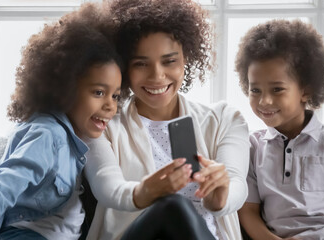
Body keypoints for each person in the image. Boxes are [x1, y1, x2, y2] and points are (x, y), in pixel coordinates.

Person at [0, 3, 123, 240]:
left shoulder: (75, 139)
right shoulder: (48, 135)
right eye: (99, 93)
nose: (111, 105)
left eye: (116, 95)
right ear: (66, 87)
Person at [83, 0, 250, 239]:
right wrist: (144, 192)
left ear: (186, 60)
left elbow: (237, 183)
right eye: (141, 64)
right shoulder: (103, 123)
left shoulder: (225, 119)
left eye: (169, 61)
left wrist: (221, 197)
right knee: (173, 207)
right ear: (123, 67)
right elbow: (106, 187)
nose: (157, 76)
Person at [235, 19, 324, 240]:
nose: (265, 101)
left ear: (306, 91)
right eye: (255, 90)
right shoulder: (251, 148)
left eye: (277, 89)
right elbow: (248, 213)